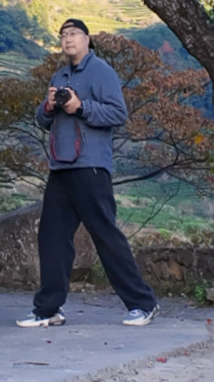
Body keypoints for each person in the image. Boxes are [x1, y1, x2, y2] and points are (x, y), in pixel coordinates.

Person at [16, 18, 159, 329]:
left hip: (91, 166)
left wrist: (81, 107)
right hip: (61, 166)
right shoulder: (59, 74)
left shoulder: (102, 72)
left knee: (105, 235)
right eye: (63, 35)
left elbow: (118, 114)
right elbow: (42, 119)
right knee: (52, 237)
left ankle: (142, 304)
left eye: (73, 34)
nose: (67, 40)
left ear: (86, 39)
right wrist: (49, 105)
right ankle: (48, 309)